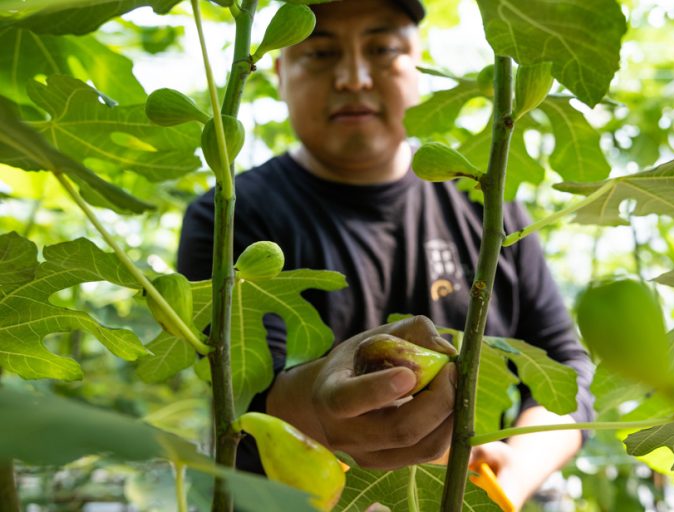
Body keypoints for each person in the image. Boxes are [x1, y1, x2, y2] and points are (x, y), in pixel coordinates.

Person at [178, 0, 594, 508]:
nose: (353, 77)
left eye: (382, 49)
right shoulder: (228, 216)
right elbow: (241, 397)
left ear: (418, 60)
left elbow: (562, 368)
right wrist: (318, 403)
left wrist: (502, 483)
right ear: (281, 70)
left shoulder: (489, 206)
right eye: (321, 52)